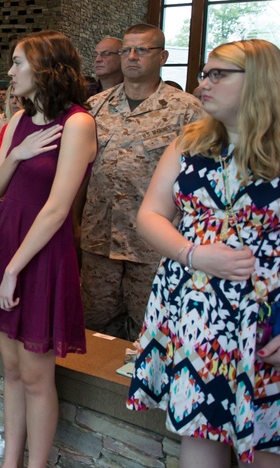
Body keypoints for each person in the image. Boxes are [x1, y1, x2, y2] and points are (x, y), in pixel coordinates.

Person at [128, 39, 280, 466]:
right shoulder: (192, 143)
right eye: (203, 74)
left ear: (261, 82)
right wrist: (194, 254)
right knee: (198, 432)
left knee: (265, 443)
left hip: (264, 320)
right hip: (196, 314)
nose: (203, 84)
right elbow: (151, 215)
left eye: (218, 74)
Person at [0, 31, 97, 468]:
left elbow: (58, 208)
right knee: (12, 370)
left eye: (18, 62)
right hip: (7, 239)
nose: (10, 71)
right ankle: (11, 463)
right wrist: (18, 153)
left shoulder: (77, 122)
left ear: (46, 68)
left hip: (40, 252)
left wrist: (13, 269)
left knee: (38, 377)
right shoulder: (17, 123)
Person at [79, 24, 202, 340]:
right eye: (126, 50)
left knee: (152, 332)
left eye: (142, 50)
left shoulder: (187, 110)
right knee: (93, 330)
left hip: (153, 245)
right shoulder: (95, 107)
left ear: (162, 56)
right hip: (99, 240)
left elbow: (200, 180)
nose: (131, 56)